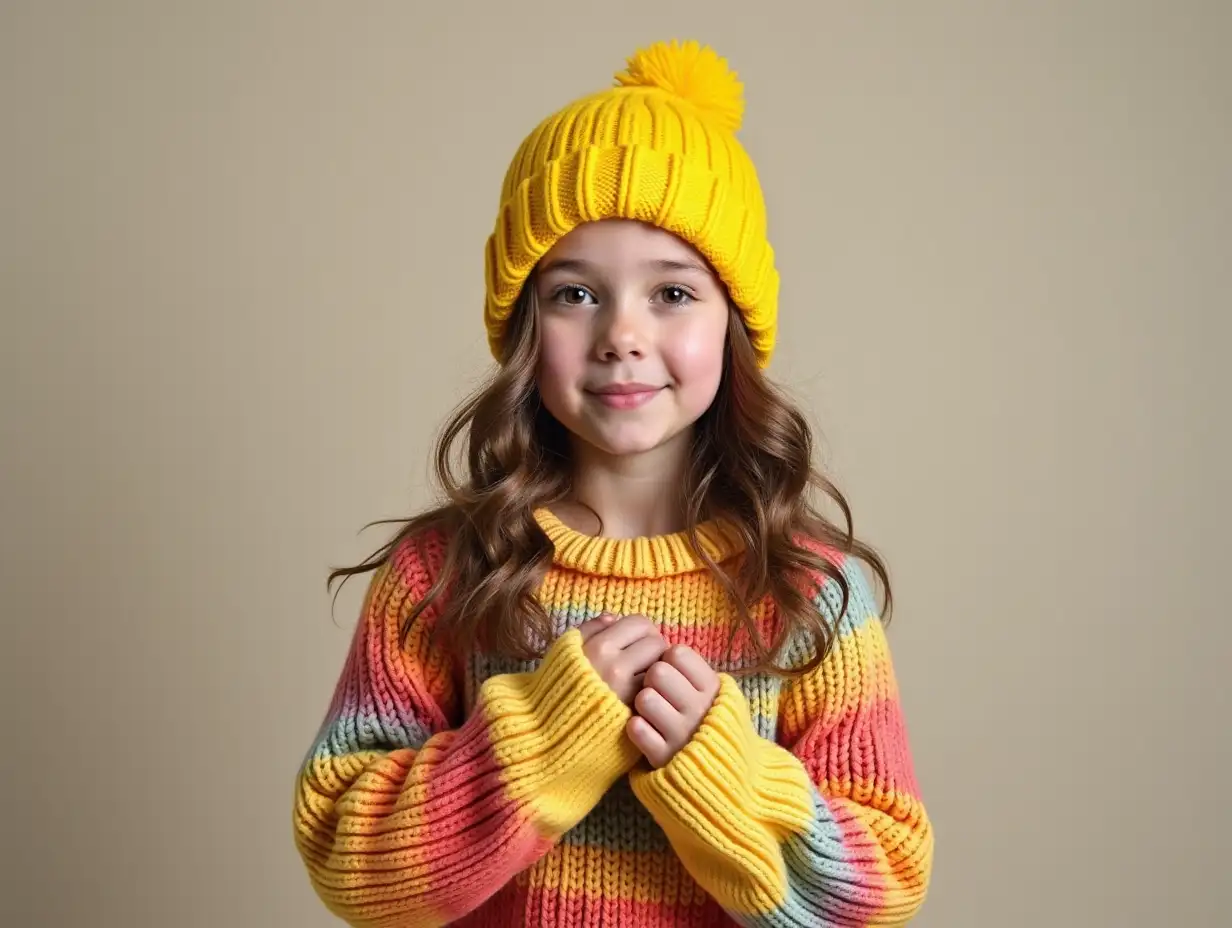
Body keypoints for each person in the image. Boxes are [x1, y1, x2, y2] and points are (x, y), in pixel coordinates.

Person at [292, 39, 933, 927]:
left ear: (734, 326)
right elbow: (347, 860)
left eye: (672, 294)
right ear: (524, 325)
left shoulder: (812, 594)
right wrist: (540, 742)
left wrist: (720, 772)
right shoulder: (441, 574)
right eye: (575, 294)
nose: (621, 335)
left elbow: (881, 887)